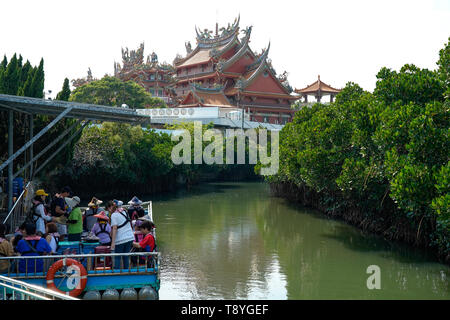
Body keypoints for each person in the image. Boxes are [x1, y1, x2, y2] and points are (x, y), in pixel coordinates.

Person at [107, 200, 134, 270]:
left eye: (108, 209)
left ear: (111, 207)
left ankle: (117, 273)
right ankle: (126, 272)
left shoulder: (114, 215)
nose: (108, 211)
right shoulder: (125, 211)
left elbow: (115, 228)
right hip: (130, 237)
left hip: (120, 240)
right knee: (126, 256)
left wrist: (113, 243)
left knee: (117, 257)